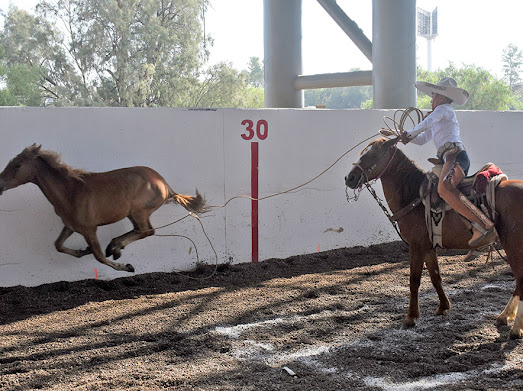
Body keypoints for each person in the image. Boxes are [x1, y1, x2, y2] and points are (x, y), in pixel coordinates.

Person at [400, 77, 496, 248]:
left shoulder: (444, 109)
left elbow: (425, 123)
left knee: (444, 188)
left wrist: (408, 134)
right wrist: (404, 137)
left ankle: (484, 225)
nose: (431, 99)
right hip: (451, 156)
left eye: (434, 96)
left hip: (454, 156)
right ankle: (472, 227)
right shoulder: (440, 116)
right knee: (445, 190)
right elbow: (422, 139)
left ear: (442, 98)